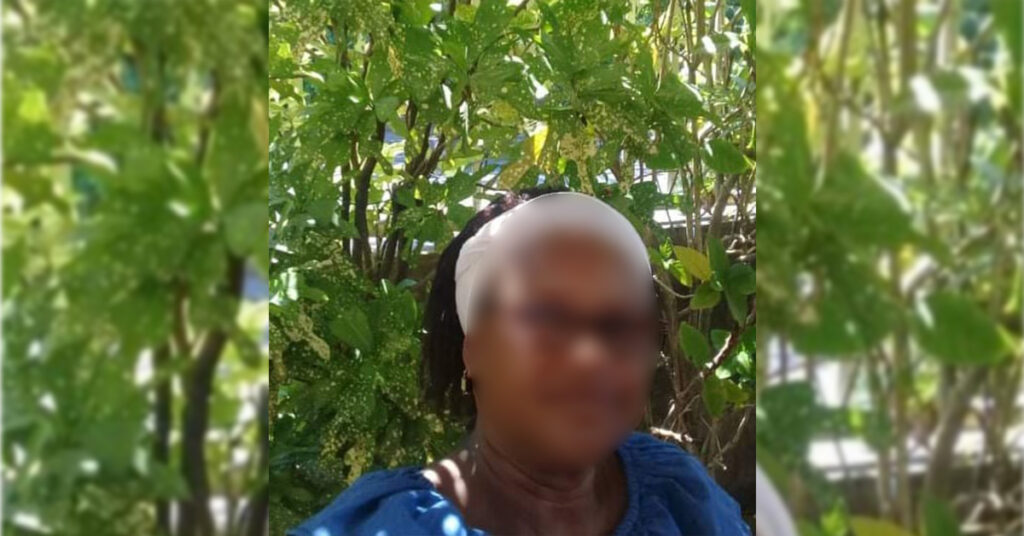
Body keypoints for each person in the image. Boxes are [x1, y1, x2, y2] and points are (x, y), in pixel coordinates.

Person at [289, 189, 749, 535]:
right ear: (473, 350)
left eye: (619, 326)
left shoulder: (677, 494)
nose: (590, 356)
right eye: (546, 320)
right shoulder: (386, 528)